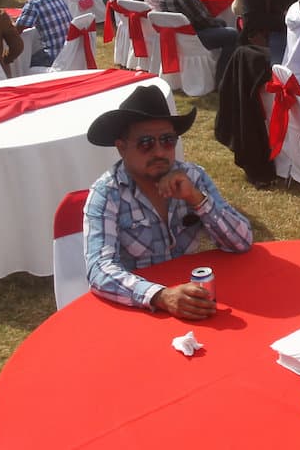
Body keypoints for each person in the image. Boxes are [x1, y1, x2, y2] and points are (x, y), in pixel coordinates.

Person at [83, 85, 253, 318]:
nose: (160, 152)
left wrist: (196, 198)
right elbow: (99, 269)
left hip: (195, 298)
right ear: (121, 148)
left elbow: (242, 242)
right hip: (141, 309)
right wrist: (160, 296)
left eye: (168, 140)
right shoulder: (106, 193)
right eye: (145, 143)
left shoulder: (193, 177)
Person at [14, 0, 73, 67]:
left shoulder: (34, 3)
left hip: (53, 56)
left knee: (24, 64)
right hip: (70, 51)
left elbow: (16, 31)